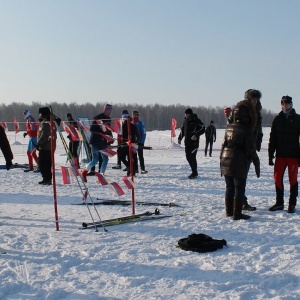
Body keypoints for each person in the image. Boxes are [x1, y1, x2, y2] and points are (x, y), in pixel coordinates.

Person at [220, 100, 260, 220]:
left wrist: (221, 161)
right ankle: (237, 213)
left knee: (229, 187)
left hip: (226, 158)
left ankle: (228, 211)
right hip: (239, 160)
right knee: (239, 187)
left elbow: (223, 144)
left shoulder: (229, 127)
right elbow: (250, 149)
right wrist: (257, 163)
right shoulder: (246, 129)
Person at [226, 89, 263, 211]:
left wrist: (257, 143)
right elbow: (230, 126)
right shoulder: (240, 111)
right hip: (239, 147)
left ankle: (239, 202)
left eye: (256, 99)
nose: (254, 102)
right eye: (252, 99)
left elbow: (258, 131)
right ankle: (239, 204)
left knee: (241, 178)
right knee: (237, 179)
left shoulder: (257, 112)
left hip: (250, 147)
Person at [268, 95, 300, 213]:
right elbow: (273, 138)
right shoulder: (277, 119)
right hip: (280, 155)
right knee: (277, 178)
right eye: (283, 103)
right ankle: (279, 203)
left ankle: (292, 203)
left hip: (293, 155)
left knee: (292, 180)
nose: (284, 105)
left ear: (291, 104)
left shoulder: (297, 119)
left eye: (286, 103)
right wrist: (271, 154)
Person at [81, 105, 113, 182]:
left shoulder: (108, 119)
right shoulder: (97, 117)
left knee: (105, 158)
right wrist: (101, 133)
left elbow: (108, 130)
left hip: (103, 142)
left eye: (111, 109)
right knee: (95, 160)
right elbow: (92, 129)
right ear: (105, 109)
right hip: (95, 141)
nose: (110, 111)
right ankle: (84, 172)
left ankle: (101, 176)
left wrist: (110, 138)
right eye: (108, 109)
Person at [178, 108, 205, 179]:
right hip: (187, 142)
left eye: (187, 114)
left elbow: (203, 128)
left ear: (190, 114)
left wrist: (196, 135)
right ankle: (194, 171)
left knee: (192, 157)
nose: (185, 115)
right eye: (185, 114)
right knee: (188, 157)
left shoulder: (196, 120)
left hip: (194, 143)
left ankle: (194, 172)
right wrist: (180, 138)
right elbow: (182, 130)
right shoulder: (185, 121)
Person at [36, 107, 57, 185]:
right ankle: (48, 178)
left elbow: (44, 135)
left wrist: (38, 144)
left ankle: (46, 178)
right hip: (50, 147)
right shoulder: (51, 122)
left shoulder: (46, 123)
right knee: (48, 164)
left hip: (45, 147)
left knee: (43, 164)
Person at [119, 112, 140, 176]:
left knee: (122, 156)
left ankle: (130, 168)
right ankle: (131, 169)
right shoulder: (133, 125)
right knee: (131, 158)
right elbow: (138, 136)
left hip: (127, 144)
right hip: (131, 144)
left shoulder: (124, 125)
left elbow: (122, 136)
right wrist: (136, 142)